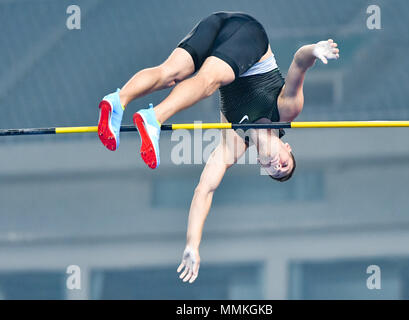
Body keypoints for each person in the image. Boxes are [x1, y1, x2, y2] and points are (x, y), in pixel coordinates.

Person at [97, 11, 339, 283]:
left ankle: (118, 100)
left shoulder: (233, 145)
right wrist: (315, 50)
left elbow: (205, 190)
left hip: (215, 27)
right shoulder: (286, 110)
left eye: (276, 172)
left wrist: (192, 244)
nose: (279, 166)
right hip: (249, 34)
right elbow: (299, 62)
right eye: (286, 164)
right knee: (209, 81)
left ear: (261, 163)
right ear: (287, 146)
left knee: (170, 74)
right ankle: (155, 118)